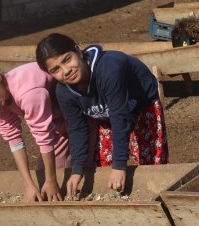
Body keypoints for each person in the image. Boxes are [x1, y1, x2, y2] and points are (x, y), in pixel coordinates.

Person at [35, 33, 168, 197]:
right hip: (107, 114)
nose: (66, 70)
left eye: (67, 59)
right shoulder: (64, 92)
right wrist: (76, 170)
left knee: (151, 163)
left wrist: (119, 166)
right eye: (56, 70)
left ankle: (155, 199)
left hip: (142, 106)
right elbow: (77, 128)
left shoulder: (109, 68)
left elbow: (120, 116)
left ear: (78, 51)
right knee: (105, 164)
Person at [0, 56, 69, 202]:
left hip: (79, 111)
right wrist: (28, 184)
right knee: (44, 175)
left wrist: (51, 180)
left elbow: (44, 135)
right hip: (57, 116)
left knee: (60, 174)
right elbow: (14, 139)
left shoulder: (27, 93)